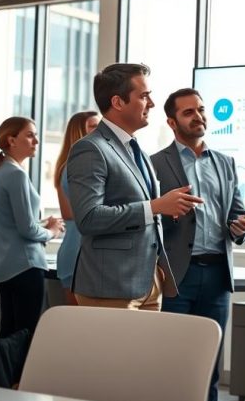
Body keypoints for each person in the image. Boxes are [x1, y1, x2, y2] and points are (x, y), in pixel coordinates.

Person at [150, 88, 245, 401]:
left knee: (209, 364)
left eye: (201, 110)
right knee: (172, 364)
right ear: (172, 121)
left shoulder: (225, 163)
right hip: (176, 275)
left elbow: (237, 215)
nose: (198, 116)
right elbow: (148, 217)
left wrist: (241, 228)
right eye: (188, 112)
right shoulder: (155, 164)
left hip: (217, 277)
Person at [66, 63, 203, 310]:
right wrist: (154, 207)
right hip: (111, 286)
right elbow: (88, 218)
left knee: (146, 351)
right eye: (144, 96)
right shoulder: (90, 149)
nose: (151, 103)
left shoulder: (135, 148)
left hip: (149, 281)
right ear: (118, 102)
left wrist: (164, 209)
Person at [0, 117, 64, 337]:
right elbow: (27, 230)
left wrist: (42, 223)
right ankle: (18, 373)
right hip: (25, 265)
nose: (36, 141)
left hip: (5, 265)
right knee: (25, 335)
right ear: (11, 140)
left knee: (10, 333)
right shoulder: (16, 175)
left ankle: (4, 373)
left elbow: (12, 222)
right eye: (30, 135)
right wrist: (52, 231)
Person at [53, 111, 101, 305]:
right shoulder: (72, 166)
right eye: (94, 126)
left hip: (85, 252)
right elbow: (69, 213)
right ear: (79, 132)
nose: (100, 130)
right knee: (80, 326)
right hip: (77, 253)